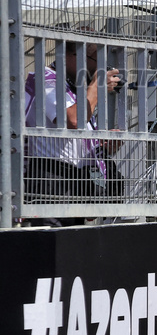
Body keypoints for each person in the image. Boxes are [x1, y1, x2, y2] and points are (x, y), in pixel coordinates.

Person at [23, 44, 123, 212]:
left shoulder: (74, 86)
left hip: (76, 179)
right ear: (74, 56)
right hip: (50, 177)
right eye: (97, 61)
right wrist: (96, 87)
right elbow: (75, 120)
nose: (100, 68)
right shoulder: (45, 79)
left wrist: (102, 144)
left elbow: (74, 136)